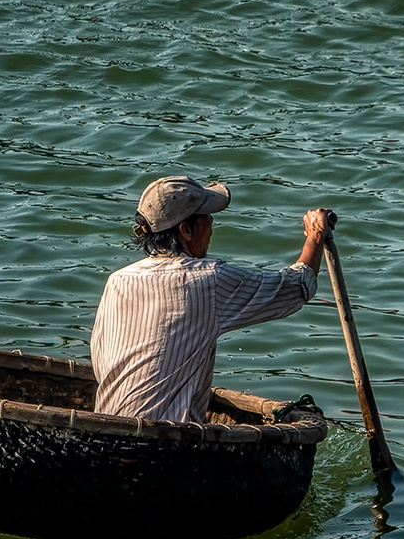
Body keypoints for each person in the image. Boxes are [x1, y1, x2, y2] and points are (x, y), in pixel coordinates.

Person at [89, 175, 337, 423]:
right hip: (168, 436)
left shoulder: (117, 281)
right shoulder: (208, 279)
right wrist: (316, 234)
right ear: (186, 230)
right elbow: (295, 287)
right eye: (207, 216)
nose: (212, 223)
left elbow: (102, 366)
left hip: (107, 425)